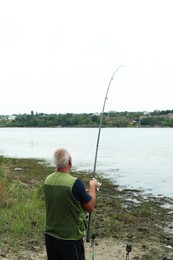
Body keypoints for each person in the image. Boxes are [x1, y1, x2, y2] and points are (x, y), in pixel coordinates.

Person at [44, 147, 99, 260]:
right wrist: (93, 186)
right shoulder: (75, 183)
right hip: (70, 239)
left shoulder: (48, 180)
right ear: (70, 161)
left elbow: (63, 197)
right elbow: (90, 207)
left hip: (51, 236)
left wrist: (83, 193)